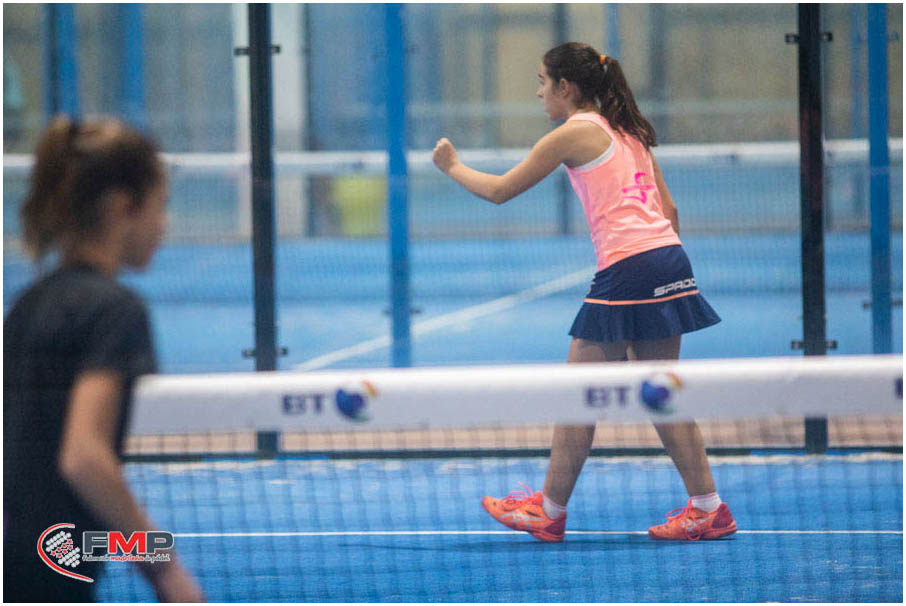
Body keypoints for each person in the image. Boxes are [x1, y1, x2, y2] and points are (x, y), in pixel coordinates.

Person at [432, 43, 736, 543]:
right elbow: (670, 211)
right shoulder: (630, 130)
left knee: (579, 395)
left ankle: (547, 511)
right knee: (661, 394)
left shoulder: (572, 133)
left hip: (630, 268)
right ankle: (709, 509)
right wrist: (663, 276)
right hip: (669, 258)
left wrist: (451, 165)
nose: (538, 92)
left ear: (566, 87)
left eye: (542, 81)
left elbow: (500, 191)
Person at [3, 116, 206, 601]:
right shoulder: (115, 312)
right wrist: (166, 569)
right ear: (122, 207)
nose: (164, 225)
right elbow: (85, 457)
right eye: (160, 206)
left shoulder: (26, 306)